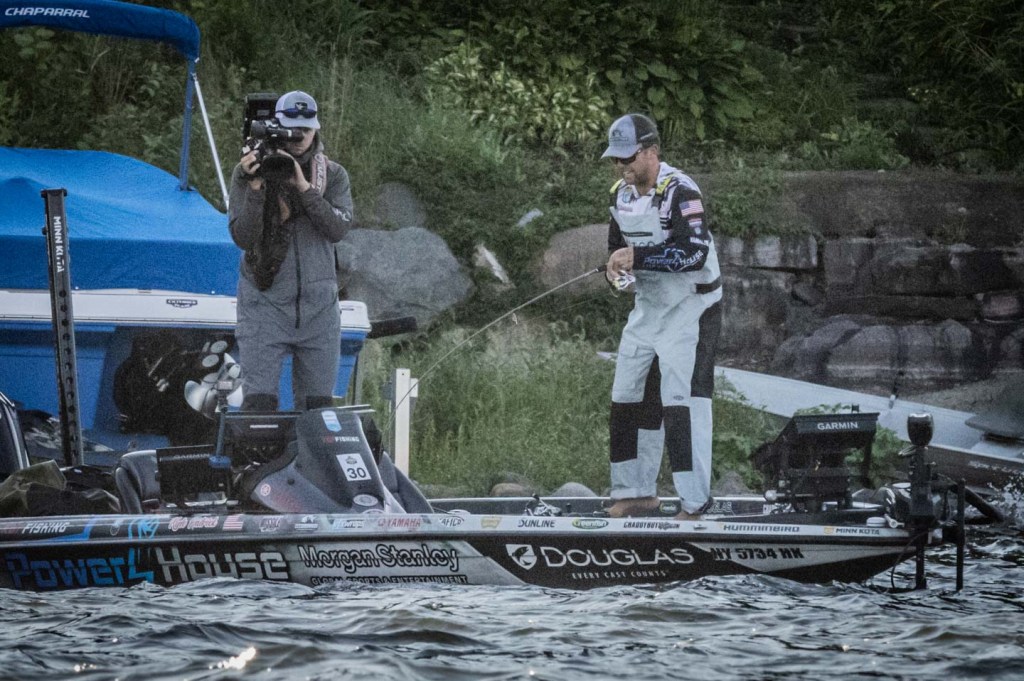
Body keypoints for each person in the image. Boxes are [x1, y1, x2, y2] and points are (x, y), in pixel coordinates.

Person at [601, 113, 723, 520]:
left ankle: (695, 503)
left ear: (651, 151)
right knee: (626, 395)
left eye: (627, 157)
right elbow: (617, 251)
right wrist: (617, 273)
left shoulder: (681, 191)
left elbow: (694, 253)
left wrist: (638, 257)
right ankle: (635, 493)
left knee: (681, 403)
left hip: (692, 307)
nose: (620, 166)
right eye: (615, 159)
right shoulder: (620, 195)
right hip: (648, 309)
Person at [228, 90, 355, 411]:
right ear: (278, 127)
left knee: (318, 410)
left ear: (316, 130)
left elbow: (338, 229)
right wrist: (255, 187)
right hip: (265, 305)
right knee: (259, 407)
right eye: (292, 129)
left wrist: (304, 187)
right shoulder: (247, 170)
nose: (298, 138)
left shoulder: (333, 174)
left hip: (319, 311)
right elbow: (243, 237)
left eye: (306, 130)